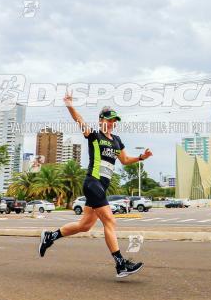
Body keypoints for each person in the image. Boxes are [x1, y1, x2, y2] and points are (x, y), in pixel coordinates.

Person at [38, 94, 152, 277]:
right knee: (110, 221)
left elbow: (124, 160)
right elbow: (79, 120)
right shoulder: (94, 136)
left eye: (114, 120)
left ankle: (50, 236)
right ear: (101, 120)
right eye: (109, 120)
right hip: (93, 183)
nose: (112, 123)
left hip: (102, 187)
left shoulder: (117, 140)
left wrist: (140, 158)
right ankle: (120, 264)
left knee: (84, 225)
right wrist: (69, 105)